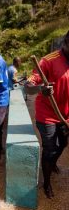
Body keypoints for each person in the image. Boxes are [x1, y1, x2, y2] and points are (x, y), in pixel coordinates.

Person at [24, 31, 69, 199]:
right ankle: (47, 183)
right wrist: (40, 89)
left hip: (65, 114)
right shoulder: (48, 60)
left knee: (63, 144)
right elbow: (28, 87)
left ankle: (53, 164)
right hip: (47, 114)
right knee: (49, 149)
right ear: (65, 43)